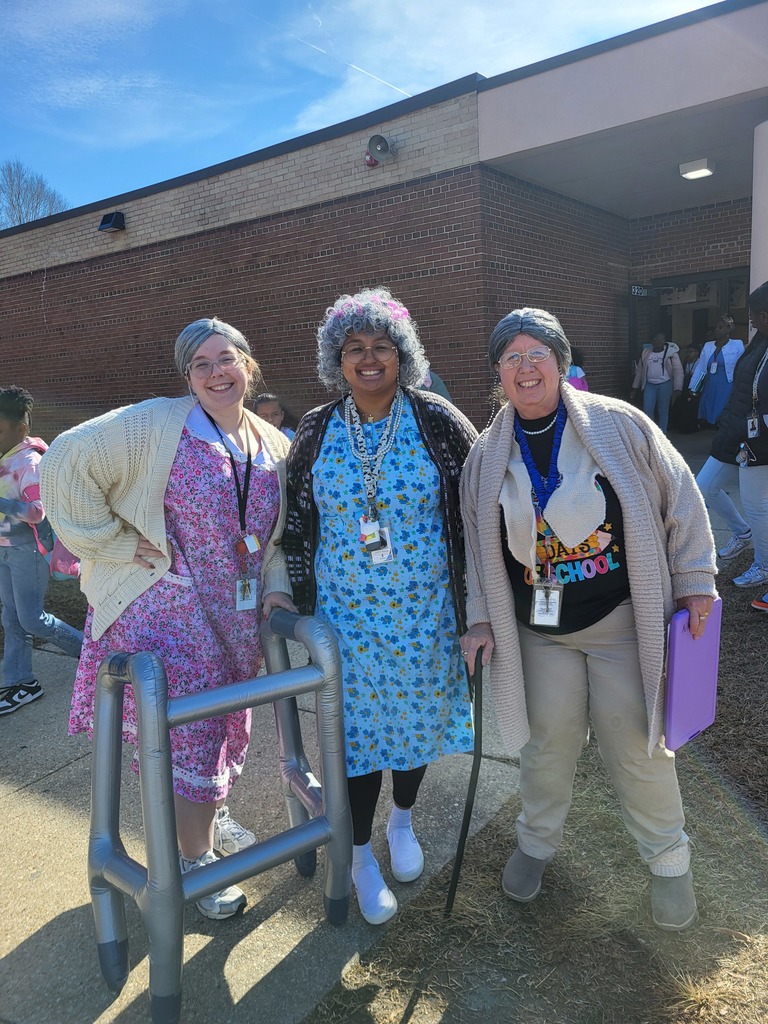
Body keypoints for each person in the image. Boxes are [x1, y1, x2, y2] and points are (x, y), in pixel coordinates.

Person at [460, 307, 717, 931]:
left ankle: (668, 860)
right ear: (498, 372)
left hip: (621, 619)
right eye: (512, 357)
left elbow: (679, 492)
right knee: (544, 743)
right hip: (539, 631)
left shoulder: (618, 424)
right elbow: (475, 543)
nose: (526, 368)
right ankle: (536, 843)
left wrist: (695, 580)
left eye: (537, 353)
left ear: (561, 362)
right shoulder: (485, 454)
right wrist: (481, 620)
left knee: (638, 741)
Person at [40, 317, 296, 920]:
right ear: (187, 376)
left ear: (248, 365)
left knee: (220, 725)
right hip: (168, 609)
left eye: (226, 359)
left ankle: (204, 817)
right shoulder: (156, 422)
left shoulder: (273, 444)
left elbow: (280, 538)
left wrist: (276, 590)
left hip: (233, 612)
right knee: (194, 734)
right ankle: (193, 857)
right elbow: (64, 462)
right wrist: (112, 543)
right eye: (200, 364)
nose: (215, 373)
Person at [283, 288, 476, 925]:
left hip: (427, 615)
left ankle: (402, 822)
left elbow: (478, 506)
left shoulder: (437, 420)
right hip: (347, 620)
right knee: (357, 740)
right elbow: (294, 522)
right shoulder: (313, 430)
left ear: (403, 355)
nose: (369, 359)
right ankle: (361, 856)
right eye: (355, 349)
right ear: (336, 360)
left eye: (382, 347)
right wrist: (285, 590)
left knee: (416, 727)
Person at [0, 386, 83, 716]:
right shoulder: (3, 459)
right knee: (11, 619)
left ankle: (93, 653)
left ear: (20, 430)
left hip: (27, 552)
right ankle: (21, 683)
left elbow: (37, 511)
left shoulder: (28, 462)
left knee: (33, 619)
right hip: (4, 550)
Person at [696, 282, 768, 592]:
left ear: (766, 315)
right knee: (705, 486)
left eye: (753, 314)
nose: (749, 320)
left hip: (759, 439)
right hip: (736, 431)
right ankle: (743, 534)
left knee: (756, 504)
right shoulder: (759, 342)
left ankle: (764, 565)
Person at [686, 315, 744, 428]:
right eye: (716, 328)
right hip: (710, 384)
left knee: (723, 413)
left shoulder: (737, 344)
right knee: (710, 414)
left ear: (728, 329)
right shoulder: (708, 346)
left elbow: (740, 367)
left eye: (721, 327)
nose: (717, 330)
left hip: (727, 384)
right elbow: (701, 368)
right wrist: (693, 386)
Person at [630, 332, 683, 434]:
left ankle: (663, 433)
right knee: (647, 409)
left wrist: (678, 388)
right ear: (652, 341)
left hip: (665, 385)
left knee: (663, 410)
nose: (660, 342)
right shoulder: (646, 353)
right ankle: (651, 432)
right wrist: (634, 387)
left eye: (662, 339)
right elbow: (640, 371)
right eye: (657, 340)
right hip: (650, 385)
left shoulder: (671, 353)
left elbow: (678, 371)